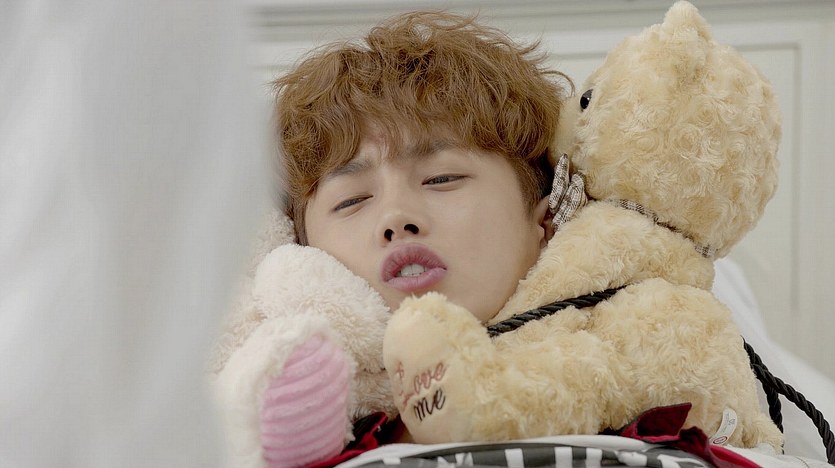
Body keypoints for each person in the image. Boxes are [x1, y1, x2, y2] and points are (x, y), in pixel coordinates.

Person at [265, 10, 571, 467]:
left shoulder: (643, 394)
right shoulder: (249, 437)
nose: (396, 218)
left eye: (441, 179)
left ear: (545, 225)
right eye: (351, 201)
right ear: (301, 255)